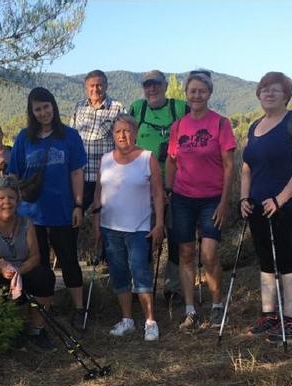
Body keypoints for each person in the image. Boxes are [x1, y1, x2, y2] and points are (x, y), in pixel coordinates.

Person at [240, 72, 292, 343]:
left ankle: (291, 320)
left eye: (275, 89)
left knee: (288, 261)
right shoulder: (254, 127)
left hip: (287, 206)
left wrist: (280, 199)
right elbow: (247, 167)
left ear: (286, 95)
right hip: (258, 207)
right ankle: (269, 316)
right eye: (264, 89)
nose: (269, 93)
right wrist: (243, 198)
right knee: (265, 262)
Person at [8, 87, 88, 327]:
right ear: (31, 112)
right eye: (38, 109)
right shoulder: (24, 138)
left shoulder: (70, 136)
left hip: (62, 211)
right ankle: (45, 309)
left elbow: (77, 173)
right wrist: (10, 207)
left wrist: (78, 205)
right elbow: (13, 175)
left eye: (46, 107)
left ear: (53, 106)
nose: (43, 113)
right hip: (30, 214)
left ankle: (79, 309)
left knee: (68, 260)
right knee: (39, 264)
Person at [165, 71, 236, 330]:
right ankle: (190, 310)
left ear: (209, 93)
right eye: (192, 91)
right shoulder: (178, 126)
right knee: (185, 253)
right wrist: (169, 191)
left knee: (208, 254)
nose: (197, 95)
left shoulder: (220, 124)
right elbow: (171, 161)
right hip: (183, 198)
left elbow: (229, 166)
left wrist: (224, 203)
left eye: (201, 91)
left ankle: (217, 305)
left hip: (211, 199)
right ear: (186, 94)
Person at [93, 114, 165, 341]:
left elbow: (158, 194)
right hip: (110, 227)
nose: (122, 136)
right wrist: (96, 224)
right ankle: (127, 320)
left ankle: (150, 321)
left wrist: (159, 223)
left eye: (127, 130)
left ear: (135, 132)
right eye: (117, 131)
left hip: (139, 228)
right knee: (119, 273)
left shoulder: (147, 158)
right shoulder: (105, 160)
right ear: (113, 135)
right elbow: (98, 194)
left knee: (141, 272)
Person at [0, 176, 57, 349]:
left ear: (17, 201)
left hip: (19, 272)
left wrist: (19, 271)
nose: (6, 202)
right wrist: (0, 268)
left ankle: (36, 330)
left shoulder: (26, 223)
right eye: (1, 198)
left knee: (44, 276)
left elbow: (35, 257)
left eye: (11, 197)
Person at [129, 70, 189, 301]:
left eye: (155, 84)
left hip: (177, 184)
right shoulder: (138, 108)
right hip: (144, 186)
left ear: (165, 86)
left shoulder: (180, 108)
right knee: (144, 236)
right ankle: (142, 286)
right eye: (147, 85)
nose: (151, 89)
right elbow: (125, 139)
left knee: (175, 236)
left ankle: (172, 288)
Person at [70, 70, 126, 210]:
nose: (95, 89)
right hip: (80, 178)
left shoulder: (117, 108)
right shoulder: (79, 107)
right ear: (86, 87)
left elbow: (125, 144)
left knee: (104, 219)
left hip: (105, 179)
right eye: (92, 86)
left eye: (99, 85)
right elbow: (71, 138)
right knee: (78, 217)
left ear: (106, 86)